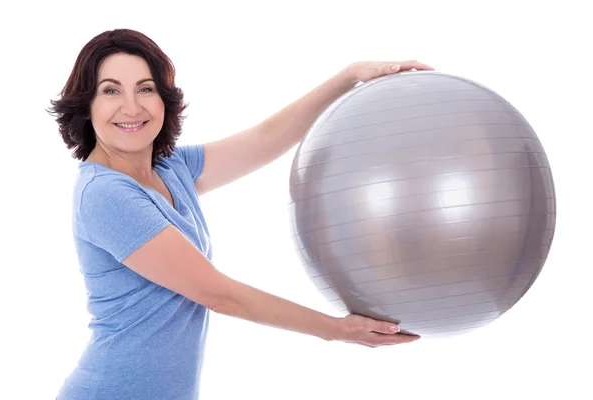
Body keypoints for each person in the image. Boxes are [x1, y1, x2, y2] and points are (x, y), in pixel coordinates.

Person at [48, 28, 434, 399]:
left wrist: (349, 76)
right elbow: (219, 294)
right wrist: (336, 330)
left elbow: (267, 138)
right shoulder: (103, 194)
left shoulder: (170, 168)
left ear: (163, 98)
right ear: (86, 105)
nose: (131, 107)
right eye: (110, 90)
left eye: (145, 88)